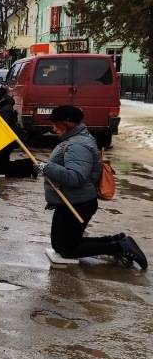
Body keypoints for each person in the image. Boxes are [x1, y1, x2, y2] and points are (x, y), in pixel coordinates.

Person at [35, 105, 147, 269]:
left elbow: (76, 177)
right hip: (69, 201)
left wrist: (47, 167)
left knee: (67, 249)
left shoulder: (78, 145)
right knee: (61, 245)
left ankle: (119, 247)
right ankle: (117, 240)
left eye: (56, 123)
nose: (53, 128)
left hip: (78, 203)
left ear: (68, 123)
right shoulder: (73, 139)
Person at [0, 88, 34, 178]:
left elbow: (7, 128)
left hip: (5, 142)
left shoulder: (5, 111)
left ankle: (29, 165)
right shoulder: (3, 107)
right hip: (3, 142)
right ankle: (27, 168)